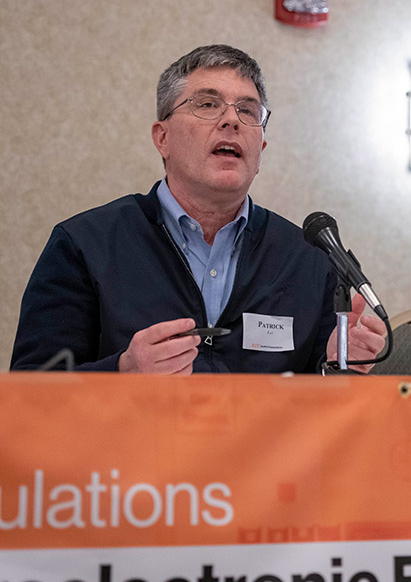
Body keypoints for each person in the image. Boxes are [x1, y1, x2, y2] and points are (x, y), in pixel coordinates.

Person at [10, 44, 384, 373]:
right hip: (129, 452)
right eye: (207, 104)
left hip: (263, 454)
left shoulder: (308, 258)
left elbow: (322, 410)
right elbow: (32, 393)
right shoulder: (84, 245)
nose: (231, 120)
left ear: (261, 152)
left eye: (248, 111)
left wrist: (337, 367)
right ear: (163, 138)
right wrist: (122, 372)